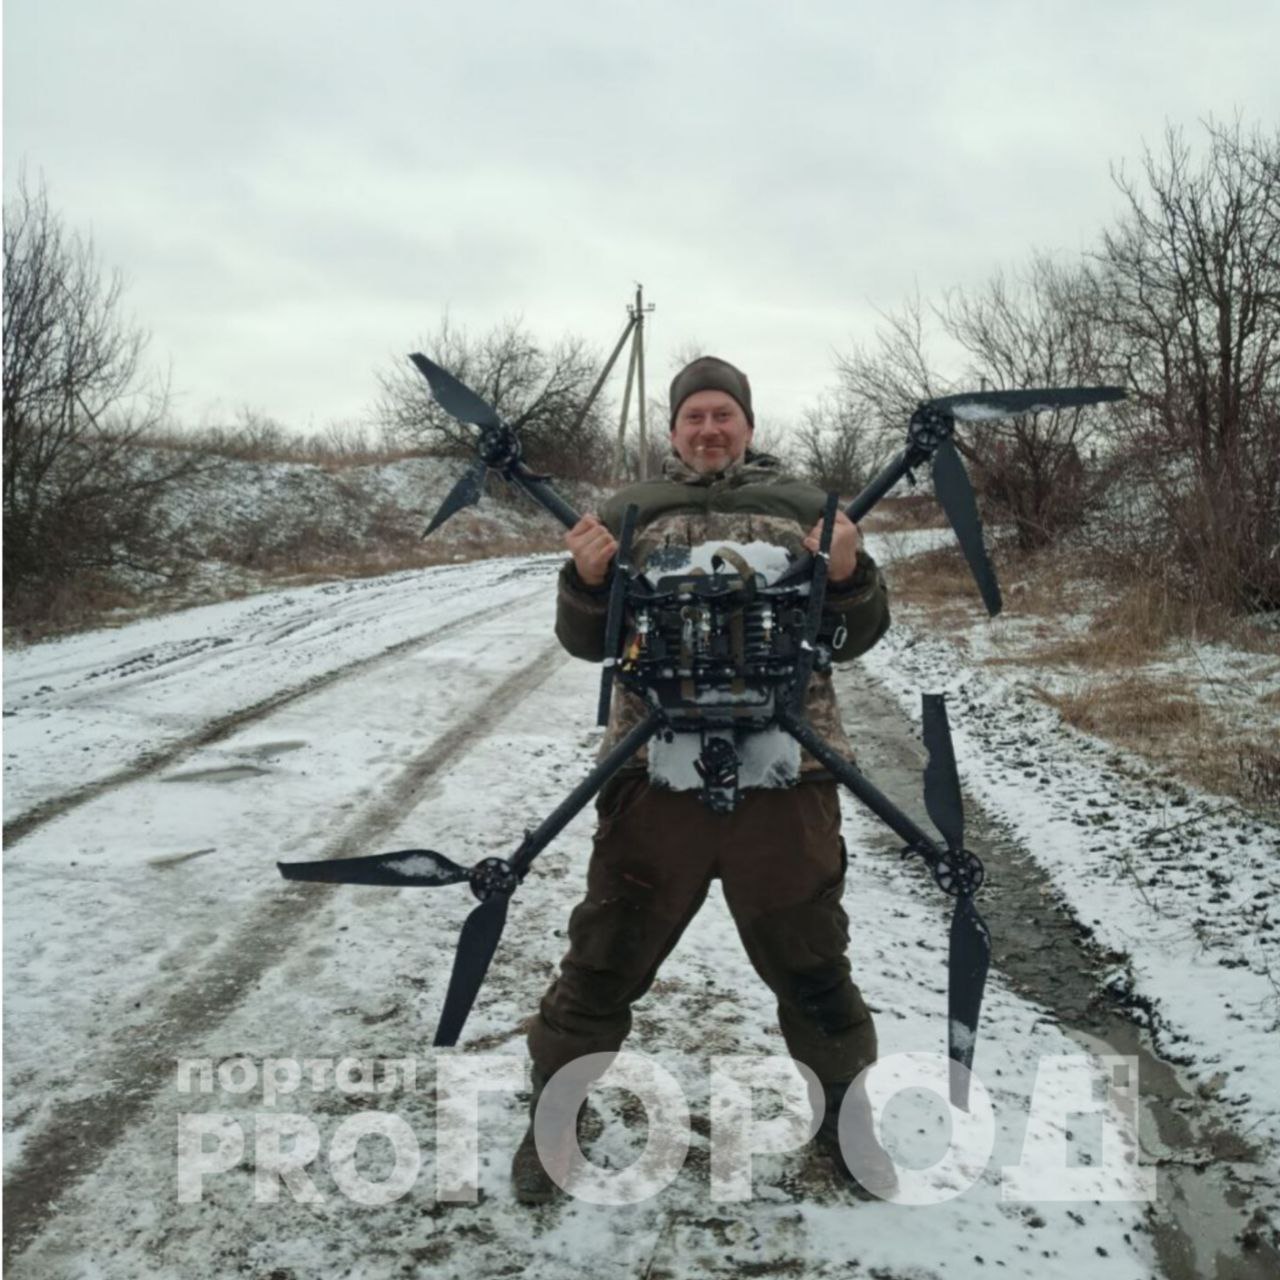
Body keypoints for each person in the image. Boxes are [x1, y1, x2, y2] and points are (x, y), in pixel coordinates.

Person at [512, 356, 897, 1203]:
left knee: (811, 961)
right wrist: (584, 581)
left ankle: (844, 1125)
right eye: (695, 417)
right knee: (604, 956)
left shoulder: (811, 511)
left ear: (749, 426)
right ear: (674, 429)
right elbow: (587, 641)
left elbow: (859, 632)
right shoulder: (627, 512)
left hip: (789, 776)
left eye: (725, 414)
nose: (710, 429)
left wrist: (846, 575)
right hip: (651, 776)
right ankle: (550, 1127)